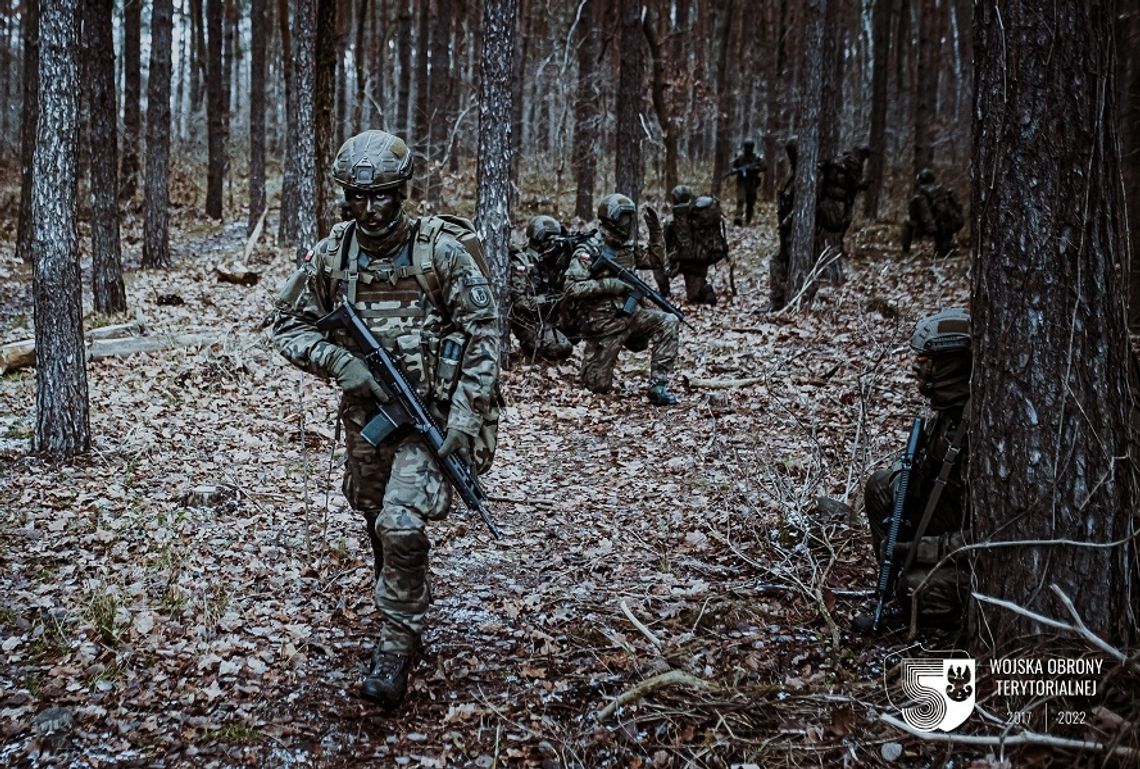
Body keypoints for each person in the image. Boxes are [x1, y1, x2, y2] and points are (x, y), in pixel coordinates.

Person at [271, 129, 501, 709]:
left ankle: (396, 645)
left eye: (384, 198)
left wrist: (467, 418)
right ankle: (402, 594)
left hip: (437, 416)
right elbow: (286, 326)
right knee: (376, 518)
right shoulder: (332, 257)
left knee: (400, 522)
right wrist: (338, 360)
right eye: (357, 198)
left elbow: (484, 334)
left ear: (404, 193)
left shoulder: (438, 253)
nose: (371, 211)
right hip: (369, 418)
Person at [853, 308, 972, 633]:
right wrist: (901, 480)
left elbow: (992, 537)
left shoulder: (983, 432)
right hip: (946, 526)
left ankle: (931, 615)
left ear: (951, 366)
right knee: (880, 485)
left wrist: (926, 550)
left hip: (975, 560)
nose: (917, 372)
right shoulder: (948, 417)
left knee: (916, 587)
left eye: (926, 363)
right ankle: (892, 583)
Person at [563, 192, 680, 405]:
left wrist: (656, 231)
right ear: (611, 219)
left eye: (629, 218)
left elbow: (656, 260)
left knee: (669, 321)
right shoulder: (589, 249)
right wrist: (611, 285)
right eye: (623, 218)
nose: (627, 224)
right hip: (604, 326)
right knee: (597, 387)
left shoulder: (627, 247)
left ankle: (659, 385)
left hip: (631, 317)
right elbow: (572, 288)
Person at [509, 215, 573, 360]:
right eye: (551, 240)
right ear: (539, 240)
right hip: (527, 322)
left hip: (547, 318)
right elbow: (522, 303)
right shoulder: (522, 261)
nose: (554, 244)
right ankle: (532, 348)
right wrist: (549, 299)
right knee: (563, 348)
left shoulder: (552, 260)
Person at [664, 184, 728, 305]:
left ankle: (664, 291)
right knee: (696, 285)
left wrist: (671, 257)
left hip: (687, 260)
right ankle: (703, 288)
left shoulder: (674, 219)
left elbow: (665, 240)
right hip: (706, 254)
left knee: (693, 298)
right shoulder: (702, 213)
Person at [901, 169, 964, 258]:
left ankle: (905, 250)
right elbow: (958, 207)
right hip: (950, 226)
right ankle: (945, 247)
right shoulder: (943, 190)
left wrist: (926, 227)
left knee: (906, 223)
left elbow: (914, 214)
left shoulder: (920, 193)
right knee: (942, 252)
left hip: (932, 227)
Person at [765, 139, 797, 312]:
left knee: (782, 261)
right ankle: (778, 300)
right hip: (787, 230)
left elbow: (806, 205)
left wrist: (789, 220)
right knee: (779, 261)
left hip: (793, 229)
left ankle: (783, 301)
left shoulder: (806, 175)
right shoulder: (793, 175)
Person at [728, 139, 765, 226]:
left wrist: (754, 168)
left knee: (750, 202)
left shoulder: (756, 158)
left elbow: (764, 167)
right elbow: (733, 168)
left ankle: (748, 220)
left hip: (752, 183)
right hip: (742, 182)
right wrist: (736, 170)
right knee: (740, 199)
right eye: (746, 147)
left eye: (749, 147)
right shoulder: (740, 158)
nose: (747, 149)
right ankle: (739, 216)